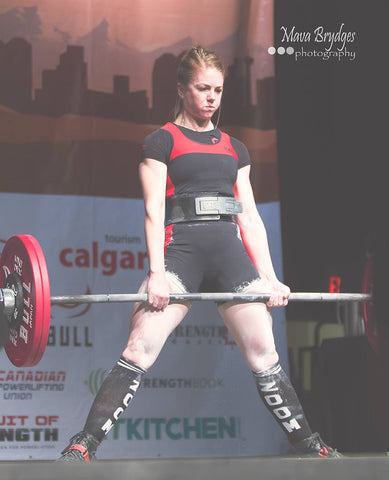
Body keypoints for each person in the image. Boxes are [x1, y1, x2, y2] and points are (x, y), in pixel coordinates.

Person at [58, 46, 340, 461]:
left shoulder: (235, 148)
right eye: (202, 88)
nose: (211, 97)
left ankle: (310, 446)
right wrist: (156, 273)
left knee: (265, 353)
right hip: (180, 258)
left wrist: (268, 276)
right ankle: (84, 444)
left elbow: (250, 217)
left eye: (218, 90)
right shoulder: (161, 141)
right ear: (181, 89)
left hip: (231, 258)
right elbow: (153, 211)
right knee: (139, 347)